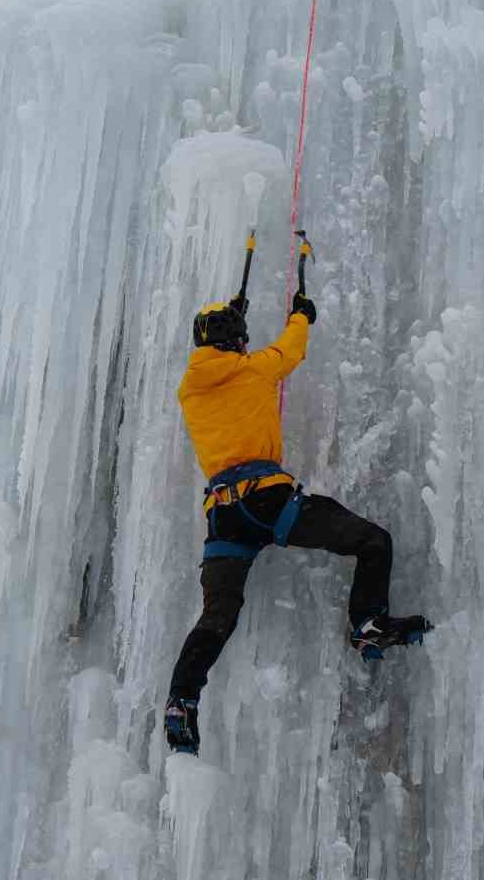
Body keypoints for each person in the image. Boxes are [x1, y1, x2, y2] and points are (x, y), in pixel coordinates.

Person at [163, 288, 432, 754]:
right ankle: (368, 624)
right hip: (269, 501)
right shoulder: (255, 368)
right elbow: (291, 349)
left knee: (218, 615)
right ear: (237, 343)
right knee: (372, 541)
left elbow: (221, 359)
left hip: (225, 518)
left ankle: (181, 702)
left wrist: (231, 323)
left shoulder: (189, 389)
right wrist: (301, 315)